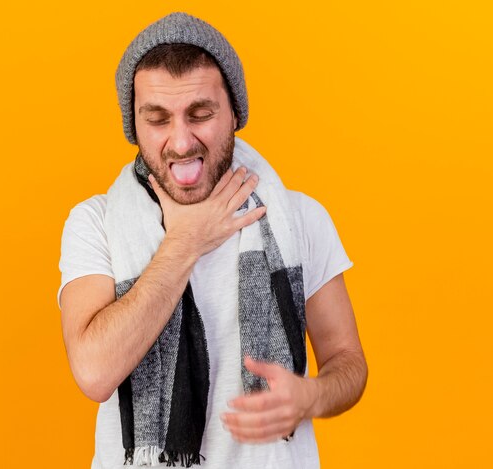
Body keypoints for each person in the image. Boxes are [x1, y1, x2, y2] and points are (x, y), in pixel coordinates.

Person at [58, 12, 367, 469]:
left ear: (235, 113)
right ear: (134, 127)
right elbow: (94, 372)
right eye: (157, 119)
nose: (181, 142)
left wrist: (313, 396)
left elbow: (348, 362)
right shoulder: (95, 223)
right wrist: (185, 243)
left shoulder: (300, 217)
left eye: (200, 114)